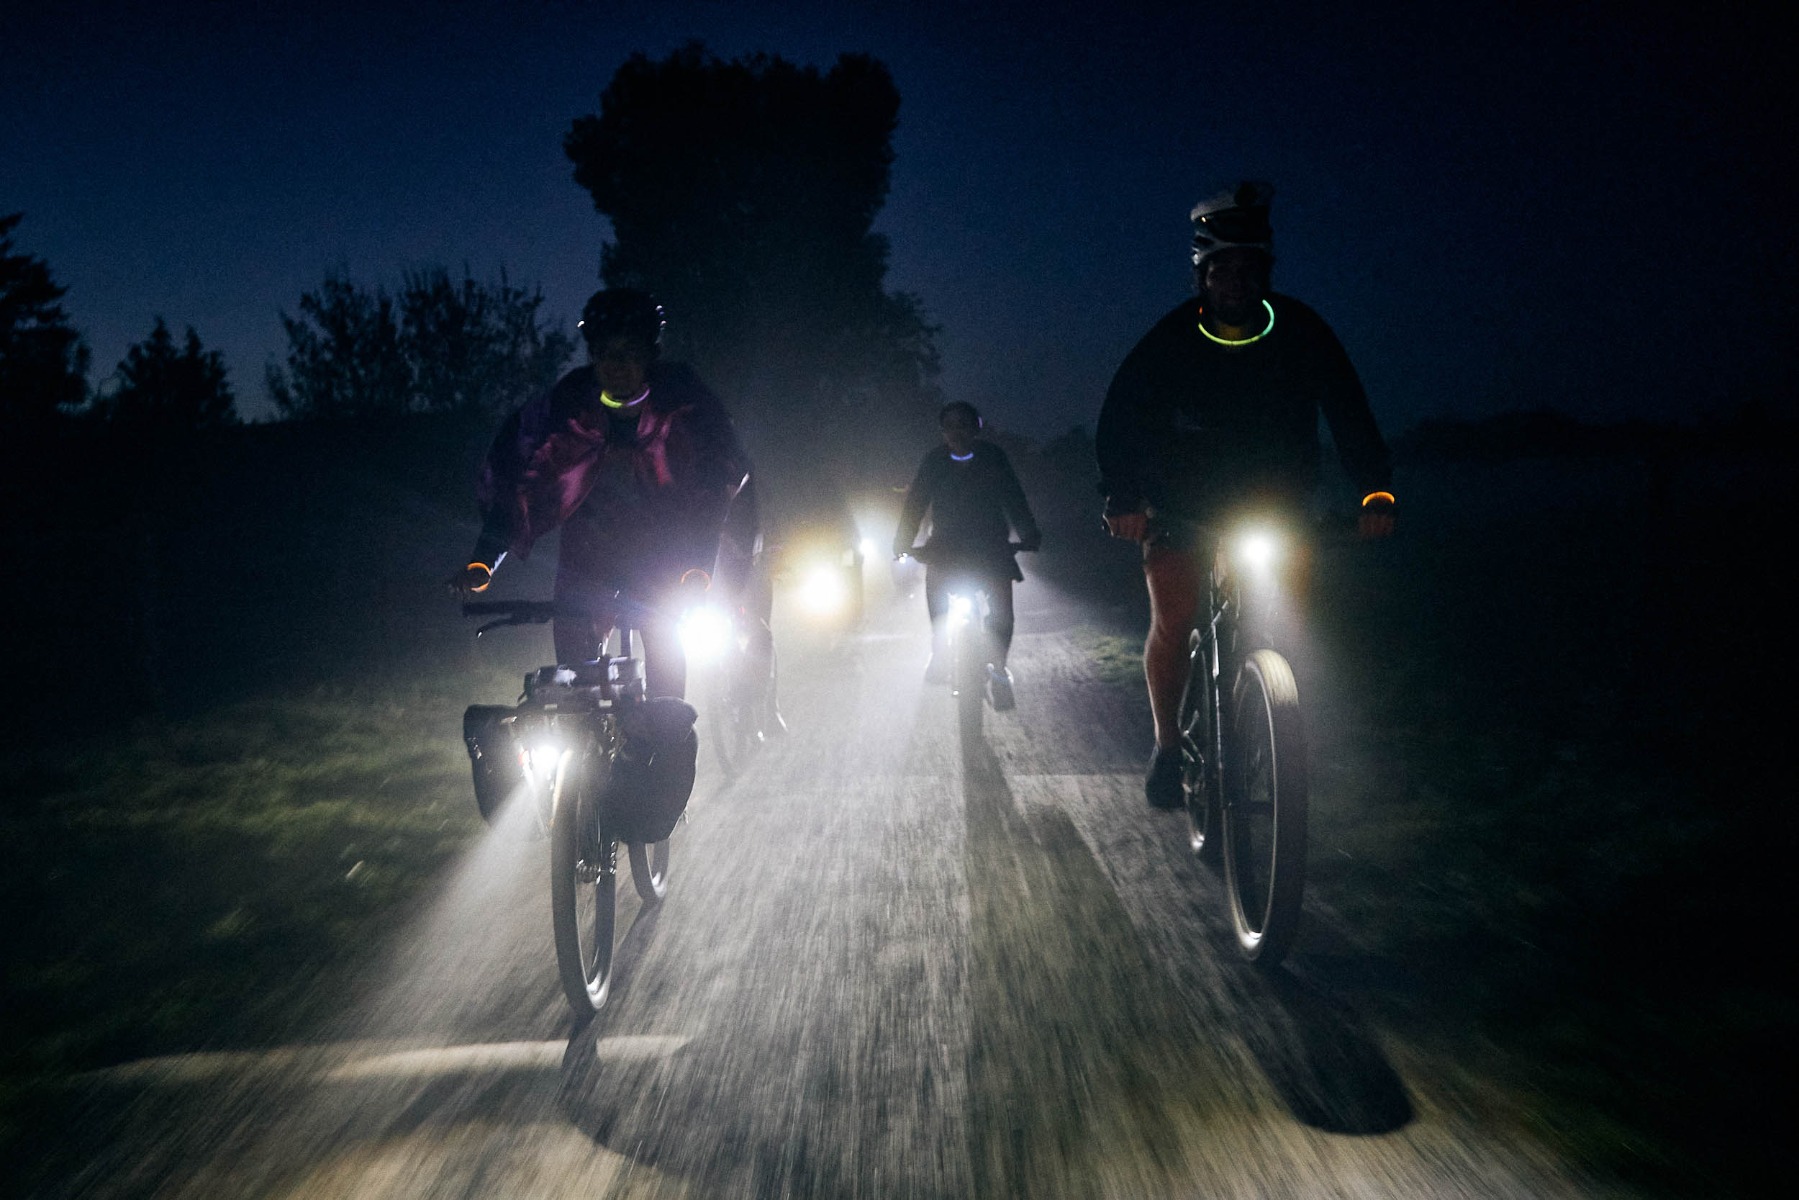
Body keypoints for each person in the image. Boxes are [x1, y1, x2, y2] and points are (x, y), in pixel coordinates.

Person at [1095, 181, 1395, 809]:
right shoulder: (1172, 338)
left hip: (1274, 506)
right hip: (1180, 508)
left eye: (1249, 267)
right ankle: (1169, 743)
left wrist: (1373, 490)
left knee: (1285, 612)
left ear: (1266, 271)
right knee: (1175, 620)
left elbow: (1347, 407)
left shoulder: (1302, 330)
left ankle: (1268, 711)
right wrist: (1124, 497)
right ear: (1202, 275)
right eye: (1222, 268)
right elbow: (1121, 415)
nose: (1236, 279)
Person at [452, 288, 750, 701]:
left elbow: (718, 480)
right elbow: (518, 479)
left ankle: (665, 747)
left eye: (630, 352)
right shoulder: (568, 407)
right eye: (606, 352)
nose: (618, 365)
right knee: (574, 687)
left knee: (666, 684)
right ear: (592, 354)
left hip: (664, 557)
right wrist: (484, 559)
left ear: (651, 353)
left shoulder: (685, 404)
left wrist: (698, 565)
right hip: (588, 558)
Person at [893, 401, 1042, 709]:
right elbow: (916, 503)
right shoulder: (934, 461)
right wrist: (902, 542)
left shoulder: (993, 458)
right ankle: (939, 650)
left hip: (991, 548)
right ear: (943, 432)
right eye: (950, 426)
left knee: (1002, 616)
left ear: (977, 428)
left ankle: (999, 671)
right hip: (945, 548)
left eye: (964, 425)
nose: (957, 432)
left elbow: (1014, 498)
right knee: (935, 594)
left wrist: (1029, 534)